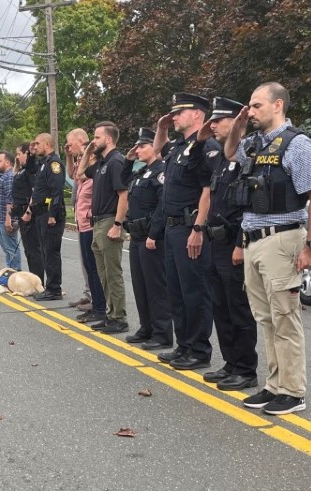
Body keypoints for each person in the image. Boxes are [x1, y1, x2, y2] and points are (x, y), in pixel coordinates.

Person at [222, 82, 311, 414]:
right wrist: (239, 123)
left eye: (256, 106)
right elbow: (229, 152)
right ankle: (274, 385)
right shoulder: (254, 143)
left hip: (283, 237)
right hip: (255, 239)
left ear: (278, 105)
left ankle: (293, 391)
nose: (251, 112)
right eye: (249, 107)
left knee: (285, 317)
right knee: (266, 318)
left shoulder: (298, 145)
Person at [152, 92, 216, 371]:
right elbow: (157, 150)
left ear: (197, 115)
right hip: (172, 228)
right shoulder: (179, 146)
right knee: (176, 292)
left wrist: (199, 228)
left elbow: (207, 190)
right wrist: (161, 128)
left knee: (195, 292)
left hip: (190, 228)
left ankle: (199, 350)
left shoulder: (203, 146)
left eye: (180, 112)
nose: (174, 116)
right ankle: (184, 345)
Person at [201, 97, 259, 392]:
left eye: (218, 121)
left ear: (236, 122)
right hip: (216, 244)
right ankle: (230, 363)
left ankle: (246, 368)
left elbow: (248, 207)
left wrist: (241, 244)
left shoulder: (246, 155)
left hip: (235, 243)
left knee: (238, 308)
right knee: (220, 307)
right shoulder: (222, 160)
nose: (212, 126)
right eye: (211, 121)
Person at [124, 128, 172, 350]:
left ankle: (162, 333)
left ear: (155, 147)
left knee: (156, 286)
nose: (138, 149)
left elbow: (162, 205)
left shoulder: (160, 172)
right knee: (140, 284)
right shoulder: (141, 172)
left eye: (143, 145)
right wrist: (128, 160)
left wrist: (154, 233)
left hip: (152, 237)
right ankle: (147, 327)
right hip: (136, 235)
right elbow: (122, 181)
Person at [87, 121, 131, 335]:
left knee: (113, 273)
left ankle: (119, 318)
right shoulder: (102, 162)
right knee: (103, 273)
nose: (93, 141)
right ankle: (110, 314)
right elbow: (79, 174)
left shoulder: (116, 162)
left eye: (96, 137)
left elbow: (124, 195)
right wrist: (88, 149)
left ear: (109, 139)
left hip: (109, 222)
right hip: (97, 223)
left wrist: (117, 224)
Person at [71, 130, 107, 323]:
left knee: (94, 269)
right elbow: (78, 173)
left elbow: (81, 173)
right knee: (89, 268)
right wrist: (85, 154)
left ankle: (101, 307)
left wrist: (89, 152)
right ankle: (96, 306)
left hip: (91, 225)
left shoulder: (95, 176)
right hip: (82, 225)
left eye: (88, 153)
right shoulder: (86, 176)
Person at [30, 134, 66, 301]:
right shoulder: (43, 163)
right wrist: (31, 153)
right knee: (45, 251)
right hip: (40, 213)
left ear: (46, 144)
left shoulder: (54, 164)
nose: (35, 146)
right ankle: (49, 287)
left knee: (51, 252)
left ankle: (54, 289)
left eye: (37, 143)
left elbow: (56, 191)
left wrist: (53, 215)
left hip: (49, 214)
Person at [67, 129, 98, 313]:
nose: (68, 147)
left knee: (92, 263)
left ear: (81, 141)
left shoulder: (91, 163)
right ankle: (89, 293)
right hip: (81, 219)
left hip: (89, 220)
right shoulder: (79, 160)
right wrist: (68, 155)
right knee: (85, 262)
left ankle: (96, 298)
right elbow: (72, 174)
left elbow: (79, 176)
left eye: (70, 144)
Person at [10, 144, 42, 276]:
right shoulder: (22, 170)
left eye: (19, 154)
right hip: (20, 212)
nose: (17, 157)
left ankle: (38, 280)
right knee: (28, 250)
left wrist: (28, 212)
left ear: (26, 153)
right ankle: (33, 277)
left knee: (34, 250)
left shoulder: (31, 170)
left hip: (28, 213)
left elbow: (35, 192)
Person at [0, 151, 21, 271]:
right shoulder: (2, 175)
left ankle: (15, 271)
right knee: (6, 248)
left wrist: (8, 219)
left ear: (8, 162)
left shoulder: (9, 177)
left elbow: (10, 199)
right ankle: (10, 270)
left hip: (5, 218)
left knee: (11, 248)